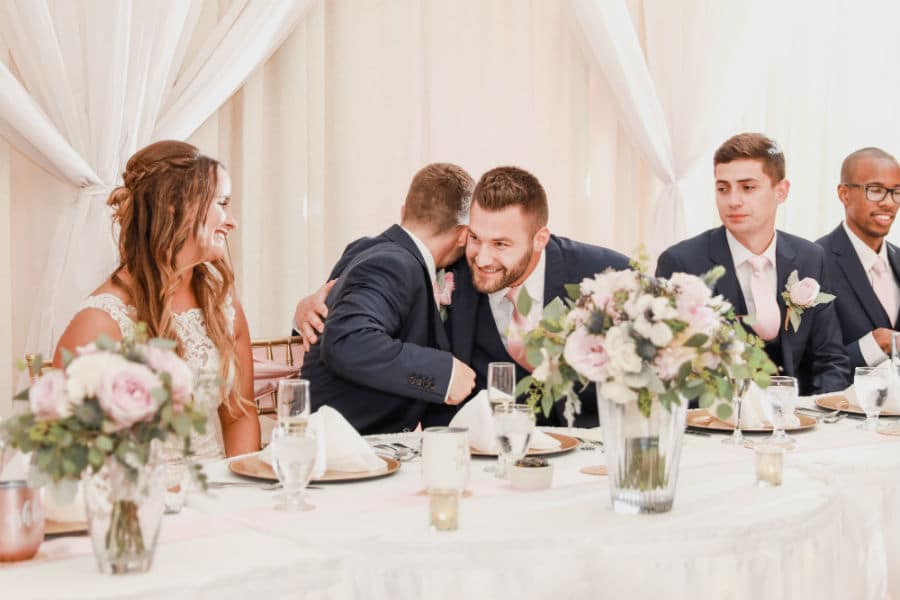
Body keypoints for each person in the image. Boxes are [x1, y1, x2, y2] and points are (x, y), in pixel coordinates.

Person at [296, 166, 630, 427]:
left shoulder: (607, 274)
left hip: (590, 458)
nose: (482, 259)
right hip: (479, 462)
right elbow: (370, 275)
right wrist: (309, 307)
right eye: (475, 238)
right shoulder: (447, 265)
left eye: (501, 244)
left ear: (540, 238)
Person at [53, 140, 260, 459]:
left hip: (220, 496)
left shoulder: (222, 304)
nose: (232, 221)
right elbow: (69, 456)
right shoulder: (100, 323)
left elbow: (240, 416)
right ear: (175, 206)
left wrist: (241, 498)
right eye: (222, 204)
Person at [656, 133, 850, 395]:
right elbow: (669, 369)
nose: (733, 201)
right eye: (723, 188)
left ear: (781, 191)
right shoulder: (682, 262)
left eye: (748, 188)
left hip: (796, 420)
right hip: (715, 422)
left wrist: (816, 419)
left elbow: (830, 359)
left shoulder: (810, 257)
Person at [299, 163, 477, 434]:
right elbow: (347, 340)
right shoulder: (394, 264)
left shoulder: (366, 249)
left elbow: (327, 321)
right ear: (464, 234)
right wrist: (443, 374)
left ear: (404, 211)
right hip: (341, 447)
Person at [817, 148, 900, 369]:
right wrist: (876, 345)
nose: (889, 203)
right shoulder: (814, 262)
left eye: (896, 191)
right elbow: (805, 366)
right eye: (875, 190)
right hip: (839, 402)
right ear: (844, 194)